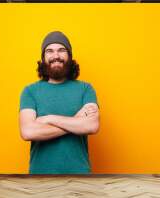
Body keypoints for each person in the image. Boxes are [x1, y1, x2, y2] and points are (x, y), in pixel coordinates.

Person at [19, 31, 100, 174]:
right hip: (40, 175)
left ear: (69, 56)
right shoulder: (30, 91)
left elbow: (92, 125)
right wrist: (76, 121)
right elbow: (28, 132)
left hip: (79, 173)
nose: (56, 56)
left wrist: (48, 119)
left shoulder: (85, 88)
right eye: (49, 51)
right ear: (43, 58)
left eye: (61, 50)